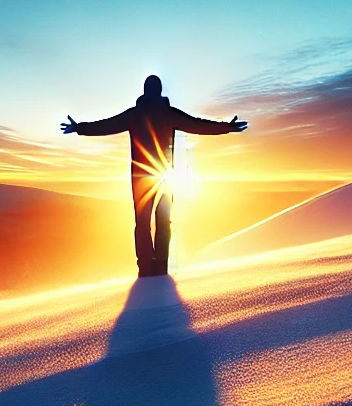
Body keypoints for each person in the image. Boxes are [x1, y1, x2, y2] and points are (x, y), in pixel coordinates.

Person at [61, 75, 247, 277]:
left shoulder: (135, 115)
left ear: (145, 91)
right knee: (163, 220)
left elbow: (106, 125)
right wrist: (226, 127)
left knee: (142, 223)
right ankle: (161, 267)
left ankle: (145, 269)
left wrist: (79, 128)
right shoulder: (168, 114)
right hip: (165, 176)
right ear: (159, 91)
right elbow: (198, 125)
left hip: (142, 178)